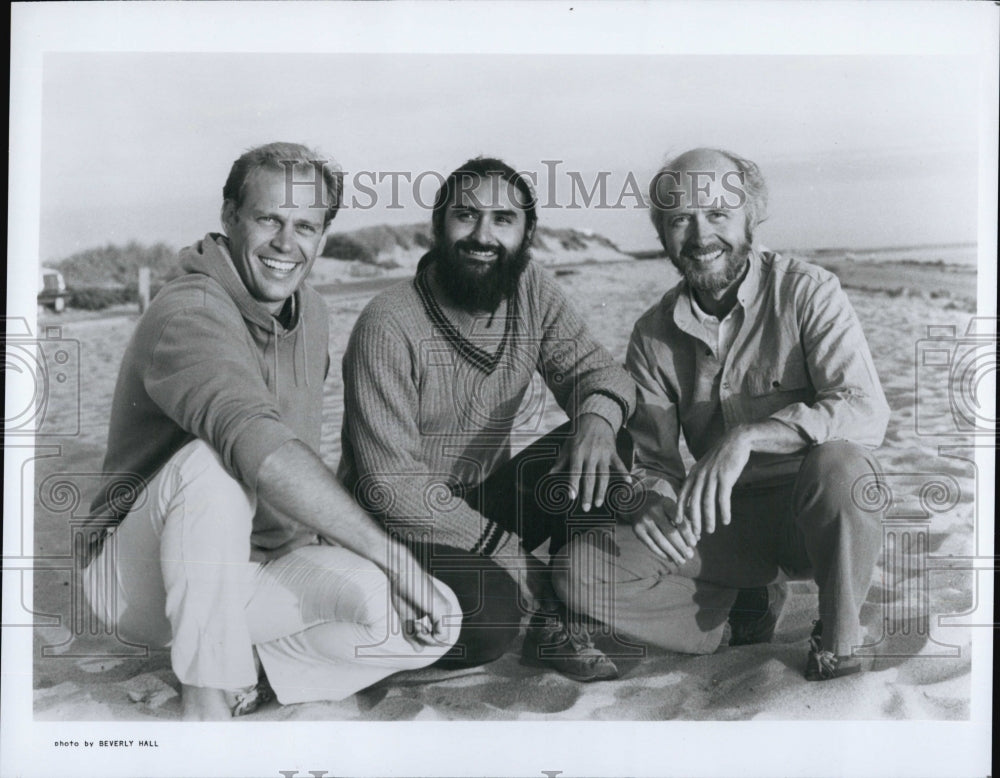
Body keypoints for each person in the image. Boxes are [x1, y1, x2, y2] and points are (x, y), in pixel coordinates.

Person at [80, 142, 461, 719]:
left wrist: (371, 566)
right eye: (269, 220)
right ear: (230, 216)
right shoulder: (189, 311)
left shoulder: (312, 312)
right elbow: (255, 440)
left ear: (323, 235)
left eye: (306, 225)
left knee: (432, 619)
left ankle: (251, 673)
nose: (288, 243)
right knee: (214, 463)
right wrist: (394, 556)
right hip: (136, 581)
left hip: (256, 570)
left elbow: (301, 455)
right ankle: (207, 702)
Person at [555, 148, 890, 680]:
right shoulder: (651, 333)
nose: (700, 236)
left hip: (819, 518)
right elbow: (656, 461)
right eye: (679, 219)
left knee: (843, 465)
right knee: (579, 569)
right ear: (662, 234)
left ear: (750, 217)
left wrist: (751, 437)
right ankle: (731, 619)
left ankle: (841, 640)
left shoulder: (809, 290)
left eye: (717, 214)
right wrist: (647, 498)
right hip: (724, 525)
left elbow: (865, 409)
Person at [338, 157, 637, 682]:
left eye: (503, 219)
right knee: (490, 623)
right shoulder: (388, 323)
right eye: (465, 216)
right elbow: (392, 489)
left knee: (606, 441)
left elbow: (601, 373)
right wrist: (508, 553)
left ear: (527, 234)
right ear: (436, 227)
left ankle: (560, 627)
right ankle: (376, 632)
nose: (483, 235)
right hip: (394, 530)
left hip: (479, 504)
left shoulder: (531, 291)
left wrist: (595, 417)